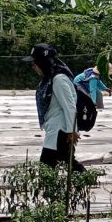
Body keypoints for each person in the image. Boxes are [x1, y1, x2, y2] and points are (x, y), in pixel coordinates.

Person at [24, 42, 84, 172]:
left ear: (44, 62)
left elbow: (69, 106)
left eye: (35, 62)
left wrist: (72, 131)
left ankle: (88, 183)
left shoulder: (59, 79)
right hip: (56, 130)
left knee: (46, 167)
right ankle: (88, 183)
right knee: (68, 163)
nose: (33, 66)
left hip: (61, 131)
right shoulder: (49, 78)